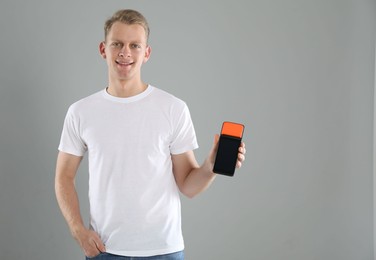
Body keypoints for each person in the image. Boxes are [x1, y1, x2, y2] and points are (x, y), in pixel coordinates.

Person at [55, 9, 246, 260]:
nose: (125, 52)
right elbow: (63, 177)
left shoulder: (173, 108)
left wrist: (210, 166)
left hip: (164, 250)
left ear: (146, 53)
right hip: (105, 250)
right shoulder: (80, 112)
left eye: (135, 45)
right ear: (103, 49)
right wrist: (78, 230)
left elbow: (188, 186)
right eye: (117, 44)